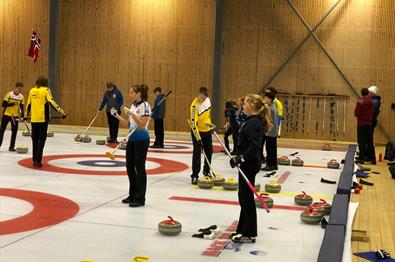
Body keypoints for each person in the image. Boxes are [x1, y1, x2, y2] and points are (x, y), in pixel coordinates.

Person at [228, 94, 272, 243]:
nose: (243, 106)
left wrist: (241, 158)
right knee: (243, 197)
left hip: (250, 163)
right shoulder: (250, 121)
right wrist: (231, 119)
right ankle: (242, 229)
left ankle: (249, 232)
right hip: (246, 163)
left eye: (245, 103)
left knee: (246, 198)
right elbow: (241, 137)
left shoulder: (254, 122)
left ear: (252, 106)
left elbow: (254, 147)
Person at [112, 84, 151, 208]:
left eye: (132, 92)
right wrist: (117, 116)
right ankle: (132, 194)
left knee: (139, 168)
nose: (130, 94)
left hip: (142, 140)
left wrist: (133, 114)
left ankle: (140, 198)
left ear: (138, 93)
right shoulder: (133, 106)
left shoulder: (145, 106)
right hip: (132, 139)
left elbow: (142, 125)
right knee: (129, 167)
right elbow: (129, 125)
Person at [25, 76, 66, 167]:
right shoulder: (46, 90)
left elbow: (28, 104)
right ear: (46, 82)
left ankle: (34, 159)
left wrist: (25, 115)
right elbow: (52, 102)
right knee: (41, 140)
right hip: (43, 119)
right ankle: (38, 161)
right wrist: (62, 112)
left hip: (34, 119)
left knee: (34, 140)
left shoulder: (32, 90)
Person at [189, 87, 213, 185]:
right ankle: (195, 175)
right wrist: (198, 138)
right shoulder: (194, 106)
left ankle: (206, 171)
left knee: (209, 151)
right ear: (198, 95)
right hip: (197, 131)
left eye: (204, 99)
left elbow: (207, 115)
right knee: (197, 152)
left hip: (207, 130)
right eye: (201, 98)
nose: (202, 100)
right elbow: (194, 124)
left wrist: (210, 125)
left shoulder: (208, 101)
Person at [0, 82, 24, 151]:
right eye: (19, 89)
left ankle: (11, 147)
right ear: (15, 87)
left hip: (14, 117)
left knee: (14, 131)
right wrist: (13, 103)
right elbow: (3, 105)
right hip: (7, 115)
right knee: (2, 130)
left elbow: (21, 107)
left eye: (21, 89)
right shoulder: (9, 94)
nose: (20, 91)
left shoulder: (21, 97)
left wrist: (22, 115)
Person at [354, 88, 374, 164]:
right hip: (369, 124)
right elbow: (373, 112)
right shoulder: (371, 102)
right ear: (368, 93)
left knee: (361, 141)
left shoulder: (360, 102)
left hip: (361, 124)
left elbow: (356, 113)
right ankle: (372, 158)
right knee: (369, 141)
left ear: (362, 93)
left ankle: (362, 158)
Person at [261, 92, 279, 171]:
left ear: (269, 99)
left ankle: (270, 165)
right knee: (273, 149)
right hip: (274, 131)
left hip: (270, 131)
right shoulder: (274, 106)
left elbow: (268, 120)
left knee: (269, 149)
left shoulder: (269, 108)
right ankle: (274, 165)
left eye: (265, 98)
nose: (264, 100)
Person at [368, 86, 381, 164]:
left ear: (373, 93)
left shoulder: (375, 101)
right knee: (367, 139)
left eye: (369, 92)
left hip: (371, 122)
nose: (368, 94)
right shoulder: (373, 100)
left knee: (369, 140)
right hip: (370, 121)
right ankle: (368, 156)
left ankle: (372, 157)